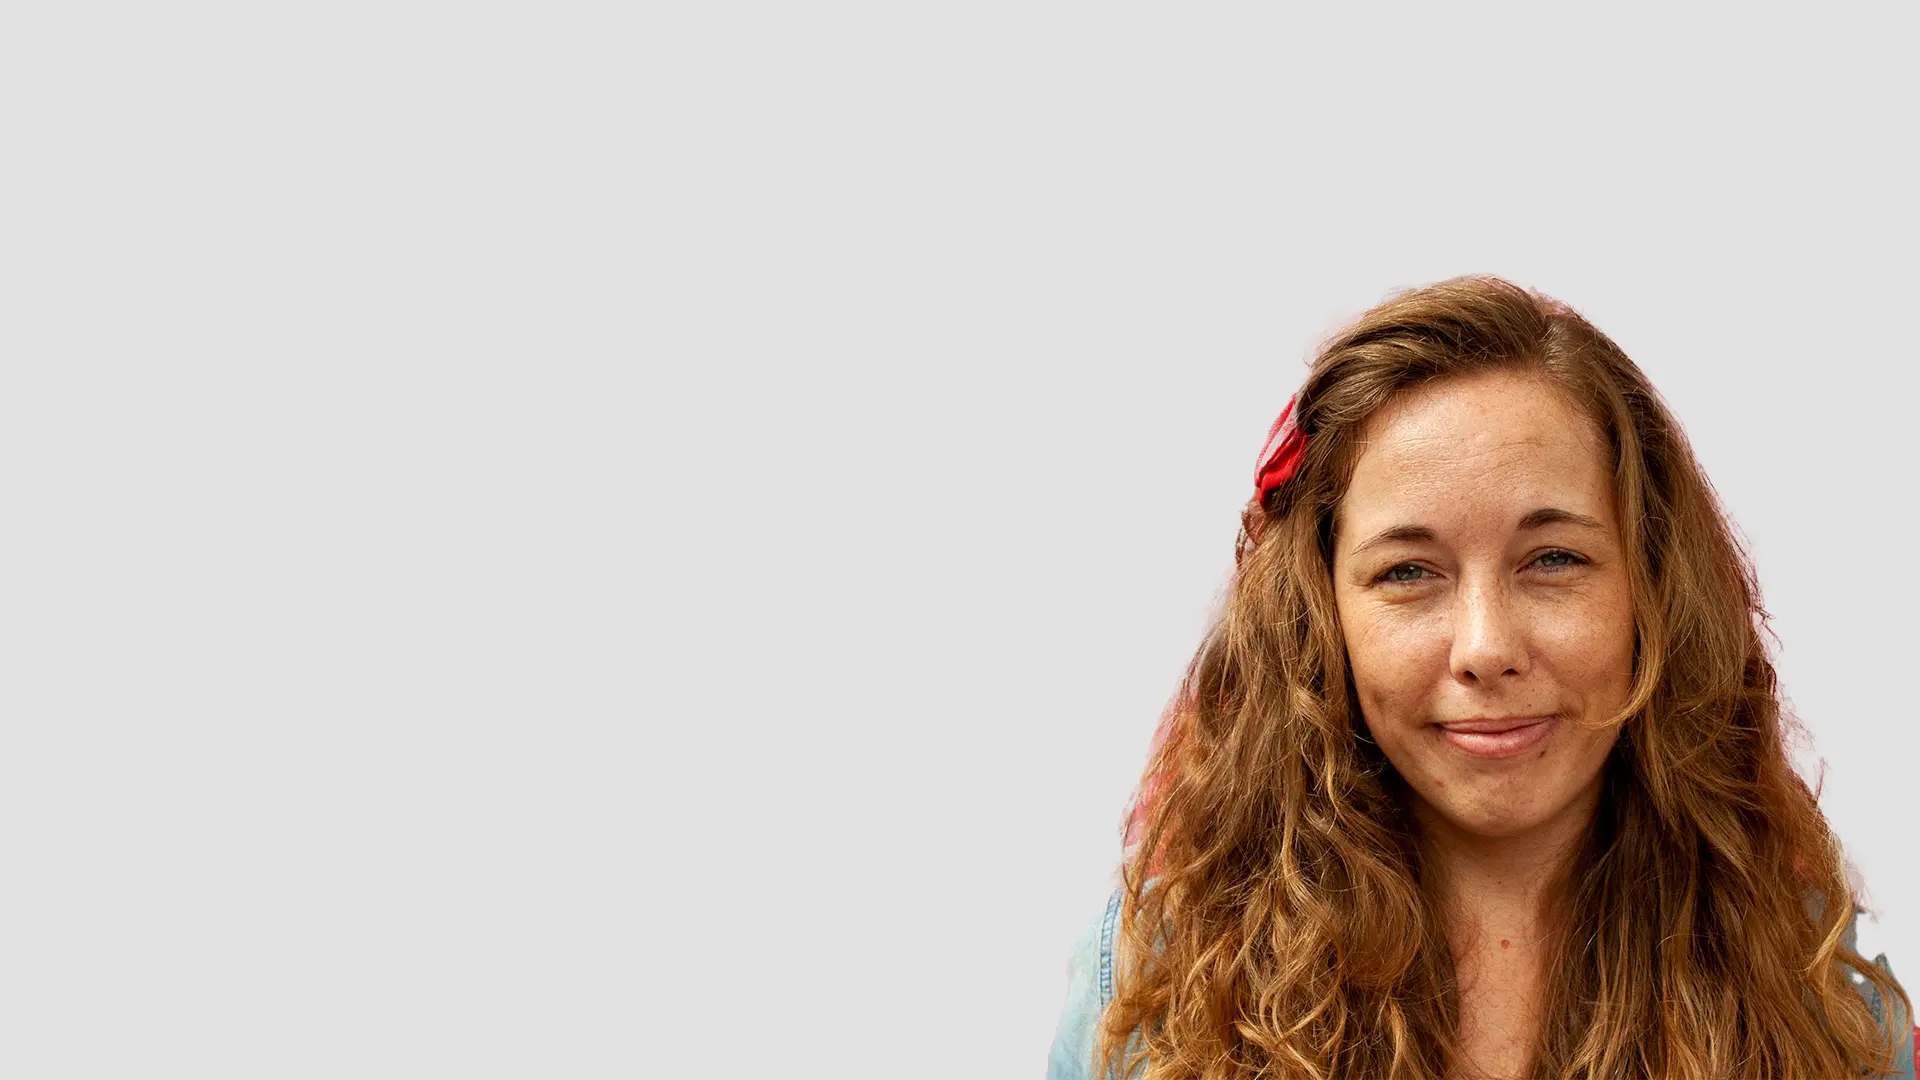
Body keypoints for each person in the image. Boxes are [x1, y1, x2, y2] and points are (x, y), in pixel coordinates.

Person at [1046, 276, 1915, 1080]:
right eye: (1409, 572)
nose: (1485, 647)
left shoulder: (1820, 998)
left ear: (1651, 591)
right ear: (1318, 619)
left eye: (1553, 559)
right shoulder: (1156, 983)